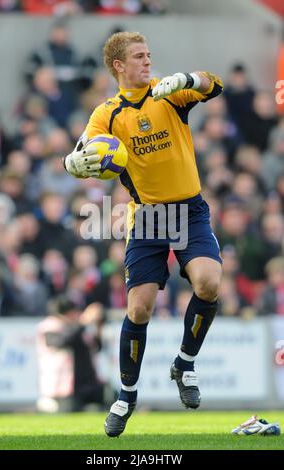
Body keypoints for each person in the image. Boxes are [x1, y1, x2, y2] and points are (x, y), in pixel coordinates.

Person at [63, 31, 223, 437]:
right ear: (119, 65)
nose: (148, 62)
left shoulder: (168, 92)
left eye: (149, 55)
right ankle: (126, 397)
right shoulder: (107, 113)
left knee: (208, 283)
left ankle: (184, 365)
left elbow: (213, 83)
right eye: (139, 56)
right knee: (139, 310)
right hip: (149, 217)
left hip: (189, 210)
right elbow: (84, 148)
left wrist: (188, 78)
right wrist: (72, 162)